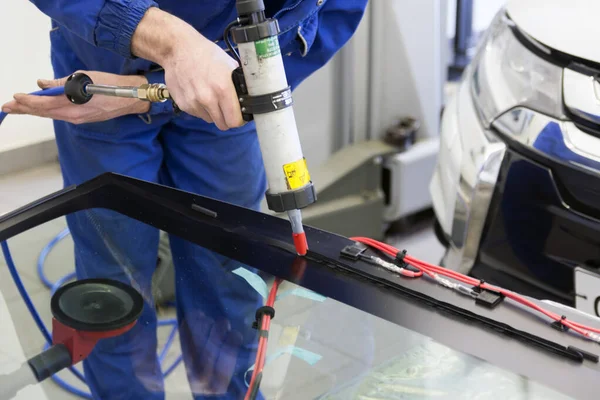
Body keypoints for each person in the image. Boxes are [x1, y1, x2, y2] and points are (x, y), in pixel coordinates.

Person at [1, 0, 367, 399]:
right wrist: (171, 45)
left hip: (226, 89)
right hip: (105, 72)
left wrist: (156, 91)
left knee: (228, 276)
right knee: (113, 286)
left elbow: (335, 11)